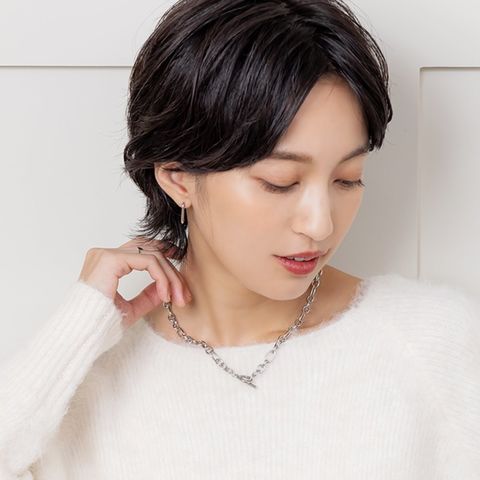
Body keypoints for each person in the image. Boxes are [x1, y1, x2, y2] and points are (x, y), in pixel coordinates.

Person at [1, 0, 479, 478]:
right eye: (280, 182)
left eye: (348, 178)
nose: (320, 225)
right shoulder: (79, 387)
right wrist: (79, 324)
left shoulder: (431, 343)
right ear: (177, 176)